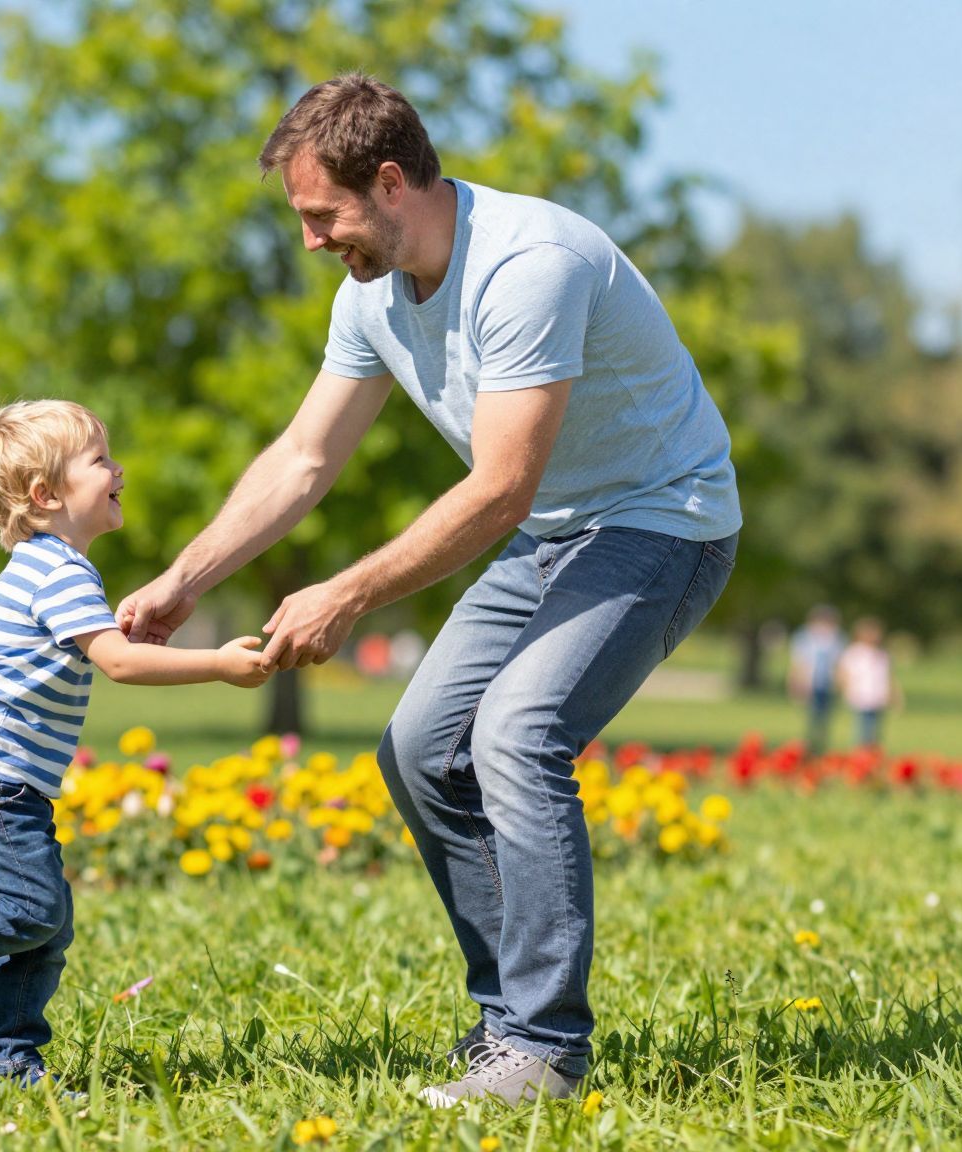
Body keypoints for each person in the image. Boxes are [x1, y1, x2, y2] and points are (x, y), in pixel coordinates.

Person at [117, 75, 740, 1106]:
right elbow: (303, 458)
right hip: (551, 533)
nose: (312, 240)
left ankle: (544, 1049)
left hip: (657, 521)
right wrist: (186, 577)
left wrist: (344, 594)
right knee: (418, 751)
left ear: (392, 181)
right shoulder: (367, 294)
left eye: (322, 215)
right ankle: (507, 1030)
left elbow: (498, 488)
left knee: (515, 732)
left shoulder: (527, 267)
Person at [0, 400, 269, 1089]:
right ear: (46, 495)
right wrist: (216, 663)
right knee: (34, 911)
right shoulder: (60, 571)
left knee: (46, 923)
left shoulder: (52, 570)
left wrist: (121, 632)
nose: (118, 468)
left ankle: (8, 1063)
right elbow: (119, 665)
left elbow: (102, 647)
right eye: (100, 460)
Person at [786, 606, 844, 755]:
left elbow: (839, 663)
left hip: (827, 683)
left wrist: (841, 683)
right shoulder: (804, 637)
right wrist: (794, 683)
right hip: (809, 683)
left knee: (825, 717)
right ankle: (809, 746)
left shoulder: (836, 638)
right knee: (811, 715)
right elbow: (798, 663)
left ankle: (820, 746)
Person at [836, 617, 900, 749]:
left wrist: (893, 694)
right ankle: (861, 753)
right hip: (860, 696)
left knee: (875, 729)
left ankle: (872, 753)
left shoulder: (881, 654)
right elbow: (843, 673)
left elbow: (887, 676)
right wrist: (846, 689)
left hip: (877, 696)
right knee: (863, 728)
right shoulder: (854, 653)